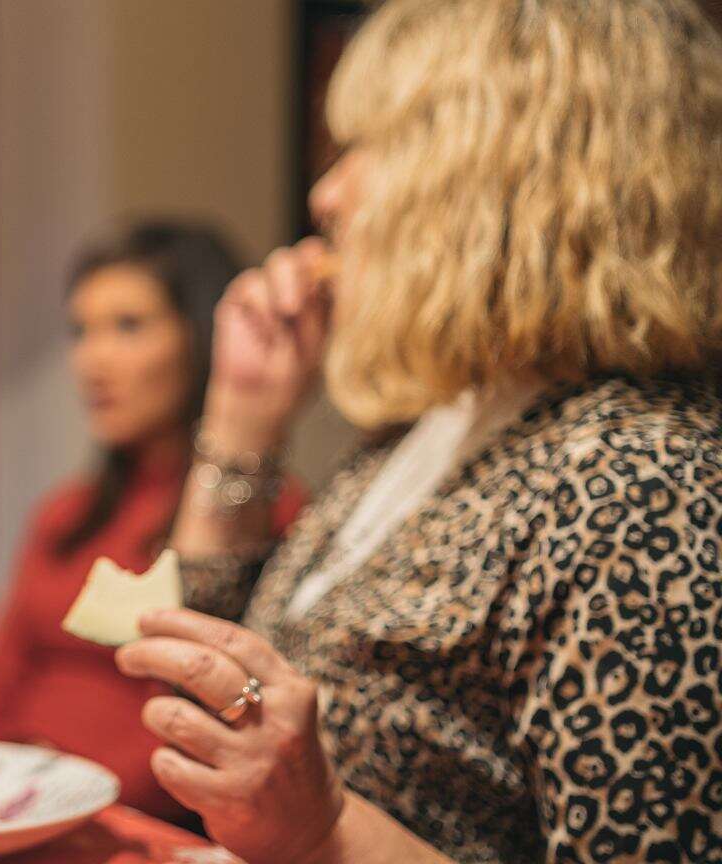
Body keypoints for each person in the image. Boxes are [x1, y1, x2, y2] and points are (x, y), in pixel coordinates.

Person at [114, 1, 722, 861]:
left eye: (372, 146)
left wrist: (323, 831)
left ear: (502, 175)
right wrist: (242, 415)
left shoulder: (645, 484)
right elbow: (207, 671)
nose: (326, 192)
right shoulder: (433, 430)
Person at [0, 222, 304, 823]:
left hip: (118, 817)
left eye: (128, 327)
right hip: (5, 808)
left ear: (204, 338)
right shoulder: (66, 513)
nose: (92, 360)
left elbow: (209, 730)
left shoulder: (262, 516)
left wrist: (49, 803)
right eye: (82, 331)